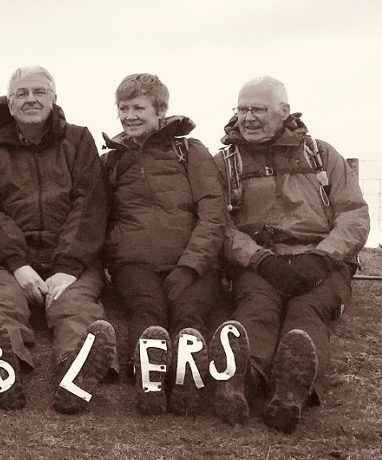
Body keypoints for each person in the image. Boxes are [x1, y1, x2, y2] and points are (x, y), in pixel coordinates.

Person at [214, 76, 368, 433]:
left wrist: (323, 257)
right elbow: (217, 224)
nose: (247, 118)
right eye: (241, 109)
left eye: (258, 109)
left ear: (284, 112)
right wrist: (257, 258)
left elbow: (354, 214)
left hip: (319, 260)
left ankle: (292, 393)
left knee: (309, 311)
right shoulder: (223, 163)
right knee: (255, 307)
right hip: (259, 263)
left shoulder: (322, 153)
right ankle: (242, 382)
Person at [0, 66, 116, 414]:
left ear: (54, 97)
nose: (31, 99)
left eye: (39, 92)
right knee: (3, 301)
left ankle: (76, 367)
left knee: (75, 304)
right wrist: (17, 264)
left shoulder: (79, 140)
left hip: (70, 256)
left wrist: (67, 267)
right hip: (7, 259)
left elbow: (89, 204)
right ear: (9, 103)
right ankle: (3, 366)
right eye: (21, 93)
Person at [100, 74, 228, 416]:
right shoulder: (112, 160)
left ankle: (188, 384)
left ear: (161, 110)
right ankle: (150, 383)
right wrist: (115, 253)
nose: (129, 116)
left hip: (192, 263)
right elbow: (101, 216)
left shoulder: (189, 151)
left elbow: (213, 212)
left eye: (138, 108)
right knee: (148, 313)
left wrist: (190, 266)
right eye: (123, 108)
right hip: (135, 262)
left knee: (189, 316)